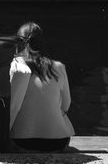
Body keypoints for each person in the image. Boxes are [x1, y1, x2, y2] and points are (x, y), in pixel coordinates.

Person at [9, 22, 75, 152]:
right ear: (41, 41)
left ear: (18, 42)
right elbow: (66, 106)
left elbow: (11, 105)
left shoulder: (15, 66)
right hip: (58, 142)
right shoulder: (59, 67)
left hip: (22, 141)